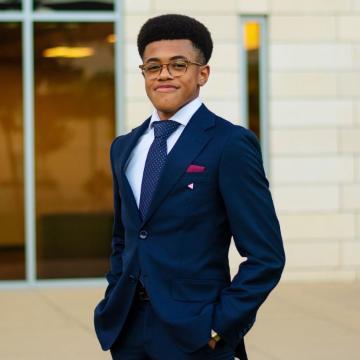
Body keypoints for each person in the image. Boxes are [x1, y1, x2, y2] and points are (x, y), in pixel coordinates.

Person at [94, 14, 285, 360]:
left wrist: (220, 327)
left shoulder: (230, 144)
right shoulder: (124, 147)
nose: (164, 74)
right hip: (127, 330)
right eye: (153, 67)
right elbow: (124, 238)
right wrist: (111, 299)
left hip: (196, 335)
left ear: (203, 73)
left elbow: (266, 256)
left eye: (178, 65)